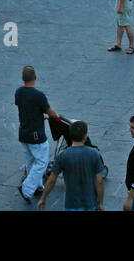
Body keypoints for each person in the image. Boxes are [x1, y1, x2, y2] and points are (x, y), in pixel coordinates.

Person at [15, 65, 61, 205]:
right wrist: (56, 117)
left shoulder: (19, 92)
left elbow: (25, 108)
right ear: (35, 77)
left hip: (24, 132)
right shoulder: (38, 95)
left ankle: (38, 185)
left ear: (23, 78)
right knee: (41, 162)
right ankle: (27, 189)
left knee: (30, 161)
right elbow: (49, 111)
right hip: (36, 134)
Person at [38, 120, 105, 211]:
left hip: (71, 203)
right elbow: (99, 180)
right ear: (85, 136)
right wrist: (100, 202)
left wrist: (43, 198)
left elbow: (51, 180)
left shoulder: (63, 155)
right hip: (90, 203)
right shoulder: (94, 154)